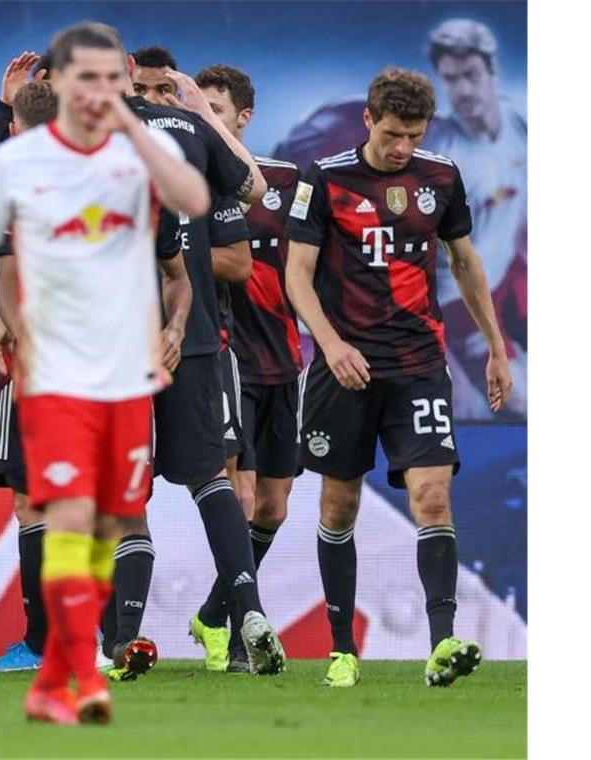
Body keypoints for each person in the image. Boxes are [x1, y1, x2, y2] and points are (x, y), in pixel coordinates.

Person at [0, 22, 215, 726]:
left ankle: (66, 668)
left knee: (111, 521)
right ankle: (75, 670)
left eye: (109, 79)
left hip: (127, 372)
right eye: (83, 79)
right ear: (56, 85)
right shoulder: (15, 163)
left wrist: (175, 327)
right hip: (57, 372)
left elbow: (191, 216)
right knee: (65, 512)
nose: (97, 92)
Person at [283, 67, 513, 688]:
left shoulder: (441, 178)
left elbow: (464, 261)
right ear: (368, 119)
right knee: (340, 503)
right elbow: (297, 275)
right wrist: (329, 345)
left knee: (433, 495)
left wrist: (496, 347)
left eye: (411, 135)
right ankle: (340, 650)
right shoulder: (324, 179)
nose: (400, 148)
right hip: (345, 369)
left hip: (418, 364)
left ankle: (441, 645)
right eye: (390, 134)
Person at [92, 46, 281, 684]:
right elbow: (254, 187)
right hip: (193, 334)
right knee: (211, 481)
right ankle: (249, 614)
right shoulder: (192, 127)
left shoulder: (91, 134)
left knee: (125, 495)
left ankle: (121, 639)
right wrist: (203, 112)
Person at [191, 64, 305, 673]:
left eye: (215, 108)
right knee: (237, 493)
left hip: (284, 361)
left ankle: (214, 612)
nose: (205, 117)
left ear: (243, 117)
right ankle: (240, 640)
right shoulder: (196, 183)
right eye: (198, 107)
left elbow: (316, 266)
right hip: (227, 354)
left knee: (274, 508)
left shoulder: (287, 182)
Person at [0, 76, 59, 674]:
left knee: (33, 504)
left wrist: (7, 326)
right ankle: (98, 638)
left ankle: (40, 642)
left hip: (37, 368)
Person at [425, 18, 527, 418]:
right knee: (513, 399)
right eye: (450, 79)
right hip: (457, 299)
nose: (462, 90)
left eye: (470, 75)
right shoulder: (441, 155)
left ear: (492, 70)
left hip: (506, 281)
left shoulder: (519, 124)